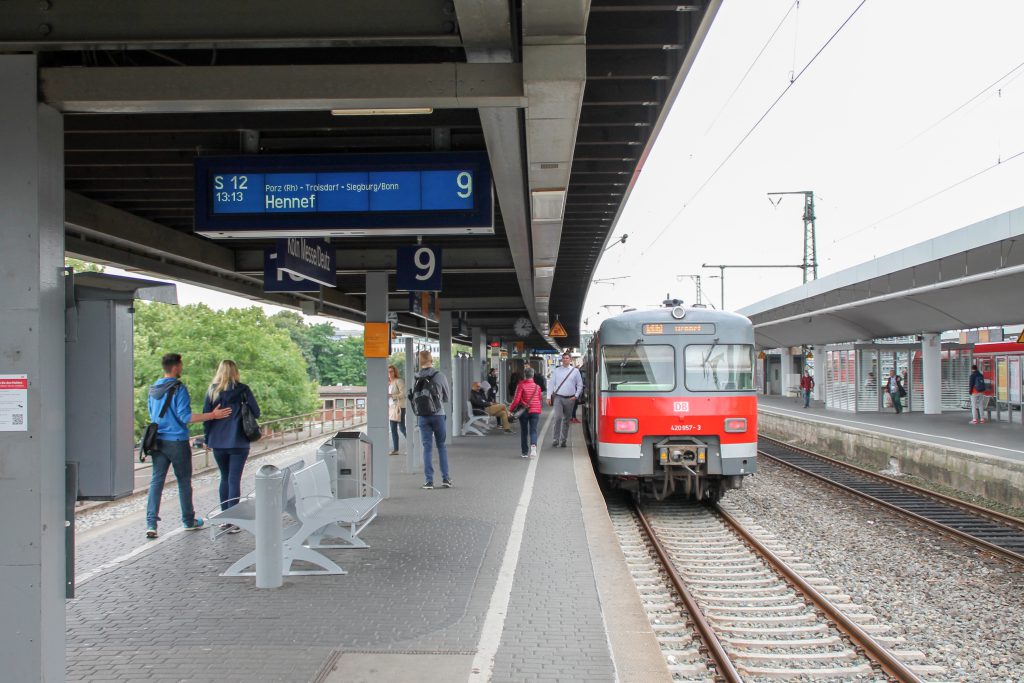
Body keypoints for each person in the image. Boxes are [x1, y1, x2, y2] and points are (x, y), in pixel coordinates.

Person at [146, 353, 231, 538]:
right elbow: (186, 417)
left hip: (157, 441)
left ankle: (151, 524)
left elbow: (152, 413)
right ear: (176, 367)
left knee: (156, 481)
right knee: (183, 481)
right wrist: (212, 415)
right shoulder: (179, 389)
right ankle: (188, 520)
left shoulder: (153, 388)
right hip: (176, 441)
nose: (182, 368)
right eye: (181, 365)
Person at [202, 360, 260, 534]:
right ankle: (234, 521)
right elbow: (256, 412)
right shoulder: (243, 390)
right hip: (239, 441)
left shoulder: (213, 391)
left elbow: (207, 417)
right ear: (235, 372)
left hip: (218, 441)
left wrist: (207, 438)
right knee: (234, 479)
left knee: (224, 478)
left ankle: (225, 517)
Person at [409, 350, 452, 490]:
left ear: (419, 361)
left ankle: (429, 481)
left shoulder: (416, 377)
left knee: (427, 448)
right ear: (431, 359)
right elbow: (447, 398)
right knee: (441, 447)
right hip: (438, 415)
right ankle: (446, 479)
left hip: (422, 416)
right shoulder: (439, 376)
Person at [547, 352, 583, 448]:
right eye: (563, 358)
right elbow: (551, 384)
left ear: (570, 360)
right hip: (558, 397)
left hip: (570, 398)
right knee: (558, 417)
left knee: (567, 420)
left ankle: (563, 440)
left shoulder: (575, 371)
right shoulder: (557, 371)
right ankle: (555, 439)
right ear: (561, 359)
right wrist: (548, 397)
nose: (565, 360)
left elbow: (580, 384)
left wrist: (576, 396)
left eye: (567, 358)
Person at [509, 366, 543, 458]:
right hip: (535, 410)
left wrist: (510, 410)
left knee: (524, 431)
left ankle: (524, 452)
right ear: (533, 375)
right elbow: (539, 399)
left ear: (525, 375)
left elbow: (516, 400)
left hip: (524, 411)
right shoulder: (537, 387)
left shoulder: (521, 385)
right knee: (534, 430)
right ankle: (533, 449)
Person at [387, 364, 406, 455]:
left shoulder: (399, 381)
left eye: (391, 371)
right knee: (393, 429)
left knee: (402, 428)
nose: (389, 373)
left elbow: (403, 394)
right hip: (391, 408)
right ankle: (396, 450)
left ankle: (412, 446)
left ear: (395, 372)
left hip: (399, 407)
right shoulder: (388, 383)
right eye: (388, 372)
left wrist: (392, 396)